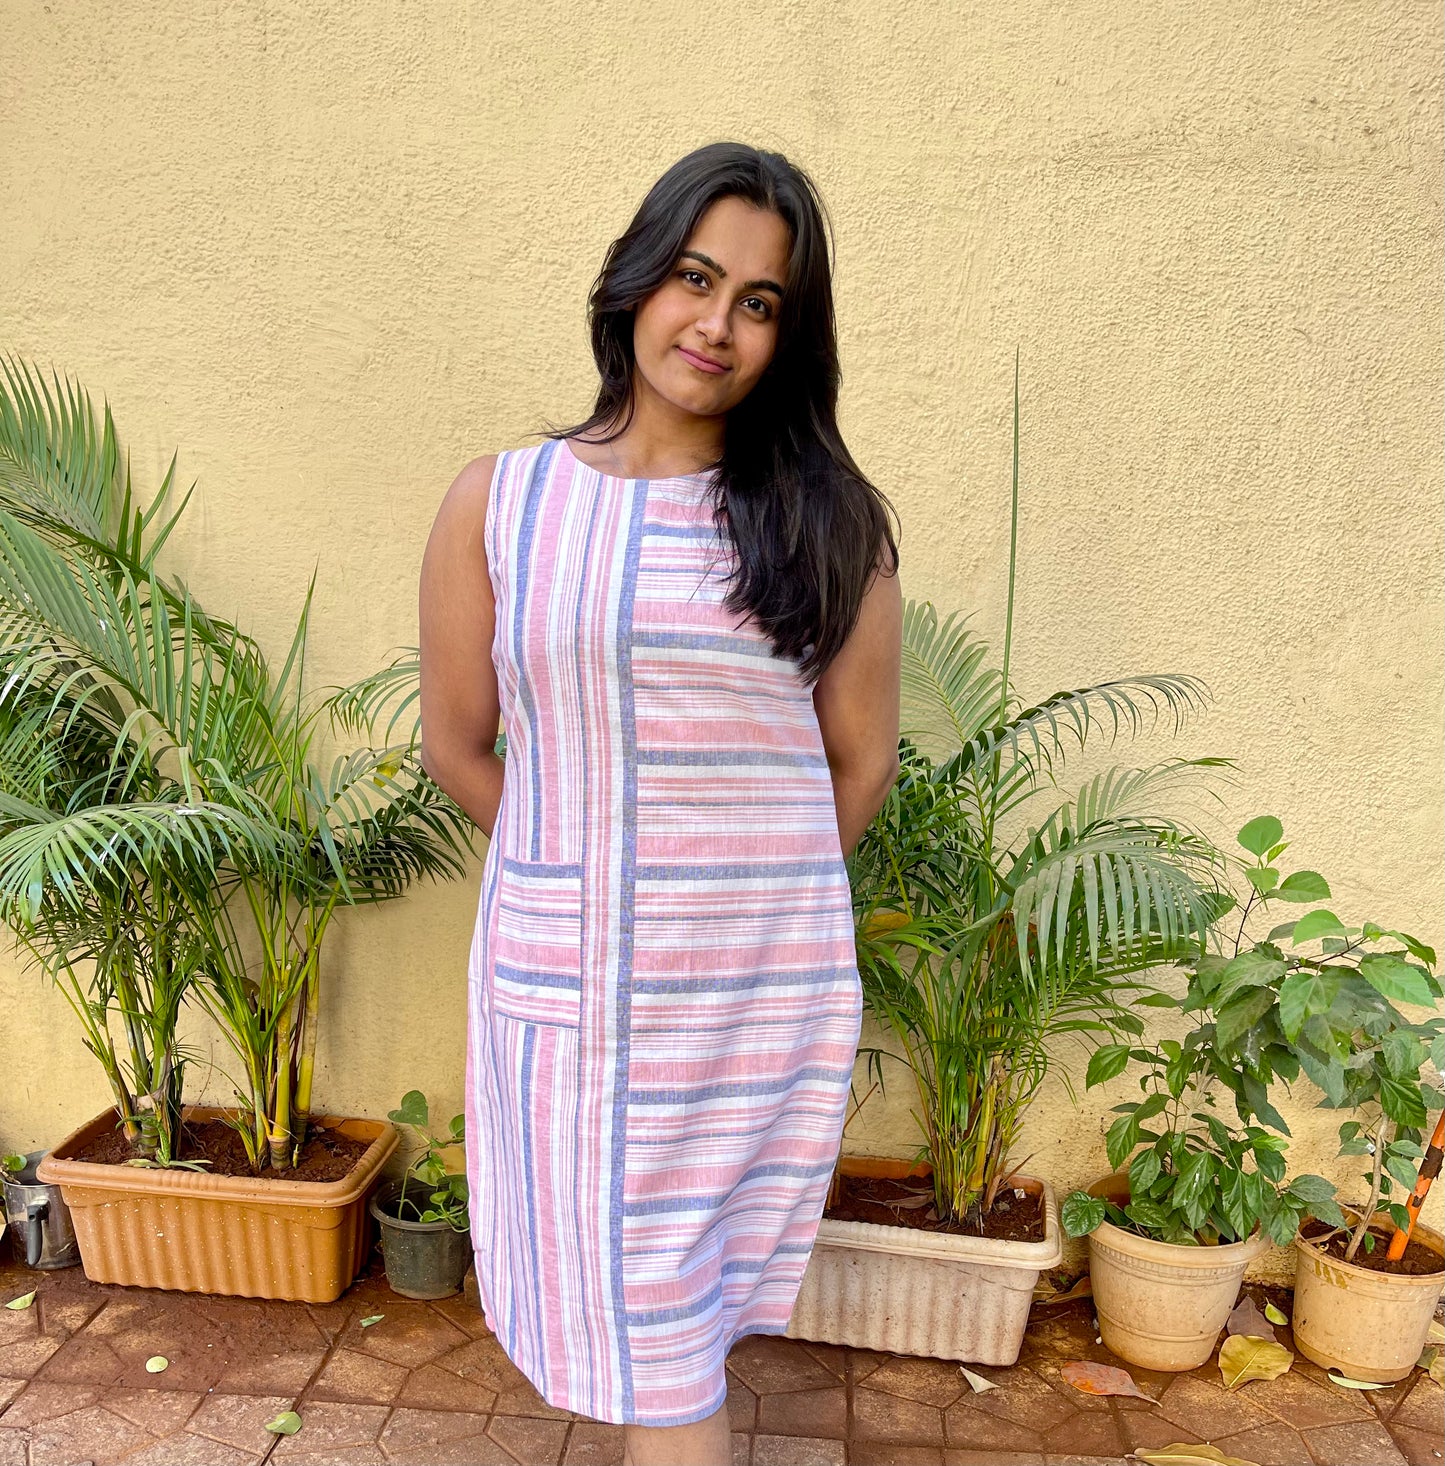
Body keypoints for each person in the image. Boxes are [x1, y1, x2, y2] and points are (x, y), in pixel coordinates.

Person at [418, 140, 902, 1466]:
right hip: (562, 994)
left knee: (670, 1324)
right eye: (697, 277)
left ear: (788, 339)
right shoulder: (499, 504)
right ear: (636, 280)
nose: (716, 324)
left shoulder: (826, 526)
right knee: (637, 1317)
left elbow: (856, 763)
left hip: (744, 995)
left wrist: (745, 902)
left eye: (761, 303)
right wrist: (574, 869)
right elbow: (456, 743)